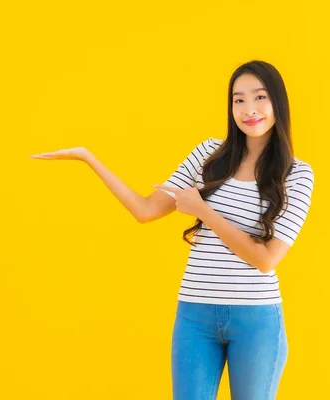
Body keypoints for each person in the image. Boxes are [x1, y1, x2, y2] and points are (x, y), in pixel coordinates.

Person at [29, 59, 314, 400]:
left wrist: (203, 212)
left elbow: (266, 260)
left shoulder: (297, 174)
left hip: (256, 320)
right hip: (195, 314)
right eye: (238, 100)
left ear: (278, 103)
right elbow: (145, 210)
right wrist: (88, 158)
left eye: (259, 97)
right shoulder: (208, 155)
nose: (249, 109)